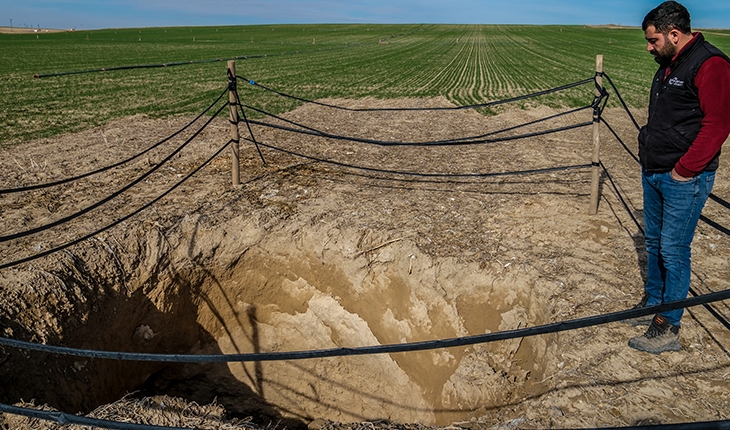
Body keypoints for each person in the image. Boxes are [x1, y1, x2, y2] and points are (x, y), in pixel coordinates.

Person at [629, 1, 730, 354]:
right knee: (655, 242)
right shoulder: (669, 62)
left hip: (683, 178)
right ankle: (653, 303)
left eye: (653, 40)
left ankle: (668, 326)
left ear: (674, 34)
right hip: (655, 171)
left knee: (673, 250)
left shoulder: (710, 64)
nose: (649, 47)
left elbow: (718, 124)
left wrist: (684, 171)